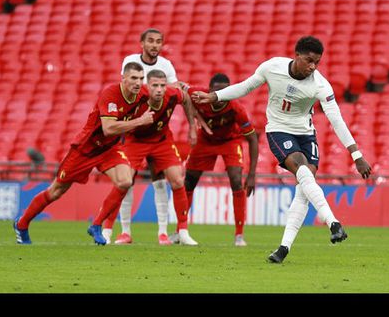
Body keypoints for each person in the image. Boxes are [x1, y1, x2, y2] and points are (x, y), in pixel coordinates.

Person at [191, 36, 372, 264]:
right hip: (279, 130)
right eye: (309, 61)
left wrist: (356, 155)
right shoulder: (272, 67)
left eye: (317, 62)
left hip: (306, 134)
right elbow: (245, 87)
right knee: (303, 171)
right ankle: (333, 222)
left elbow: (337, 120)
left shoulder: (320, 85)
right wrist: (213, 96)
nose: (313, 67)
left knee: (304, 188)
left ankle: (283, 248)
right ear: (296, 55)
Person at [13, 62, 155, 244]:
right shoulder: (111, 94)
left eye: (141, 78)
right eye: (134, 78)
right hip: (86, 149)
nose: (138, 82)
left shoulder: (142, 94)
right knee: (56, 191)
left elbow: (161, 94)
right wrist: (140, 122)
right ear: (124, 78)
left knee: (125, 181)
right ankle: (22, 224)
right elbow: (109, 128)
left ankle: (96, 225)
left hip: (109, 148)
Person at [105, 28, 200, 246]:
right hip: (135, 134)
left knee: (174, 179)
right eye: (150, 41)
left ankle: (174, 232)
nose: (155, 45)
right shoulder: (130, 61)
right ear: (142, 43)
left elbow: (180, 94)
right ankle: (123, 231)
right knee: (125, 182)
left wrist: (192, 127)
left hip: (160, 135)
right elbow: (127, 91)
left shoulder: (166, 66)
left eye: (158, 41)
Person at [184, 73, 259, 247]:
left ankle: (239, 236)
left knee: (235, 179)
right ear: (209, 91)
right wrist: (192, 119)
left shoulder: (236, 108)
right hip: (205, 140)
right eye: (217, 91)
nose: (221, 96)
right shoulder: (197, 94)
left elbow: (253, 139)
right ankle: (181, 230)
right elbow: (179, 89)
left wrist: (252, 174)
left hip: (229, 141)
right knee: (189, 181)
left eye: (226, 92)